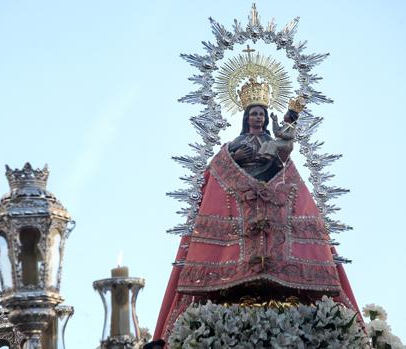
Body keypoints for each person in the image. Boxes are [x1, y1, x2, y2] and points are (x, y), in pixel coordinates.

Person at [153, 95, 360, 342]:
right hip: (243, 208)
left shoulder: (272, 140)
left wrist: (284, 139)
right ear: (246, 118)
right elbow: (216, 169)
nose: (258, 117)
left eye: (261, 113)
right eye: (254, 113)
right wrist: (235, 159)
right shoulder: (233, 145)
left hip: (271, 207)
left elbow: (284, 164)